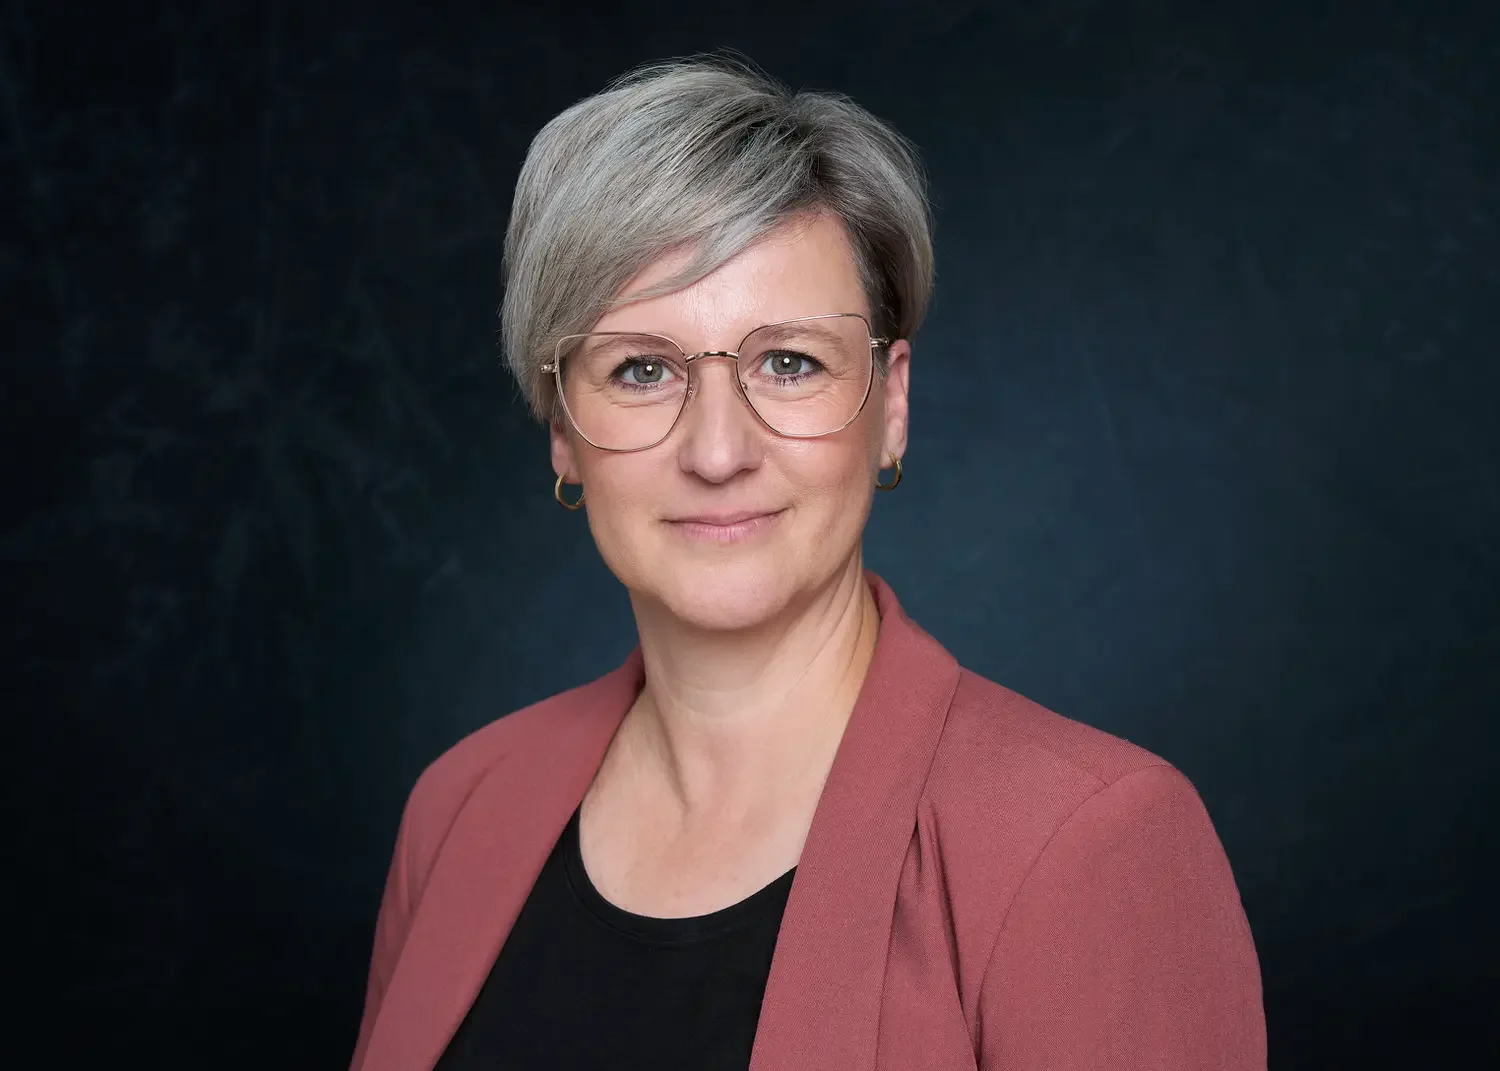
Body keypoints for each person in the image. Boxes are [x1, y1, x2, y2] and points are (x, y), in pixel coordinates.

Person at [350, 55, 1265, 1071]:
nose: (716, 450)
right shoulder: (460, 808)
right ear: (561, 426)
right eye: (641, 369)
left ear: (892, 405)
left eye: (789, 362)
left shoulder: (1094, 846)